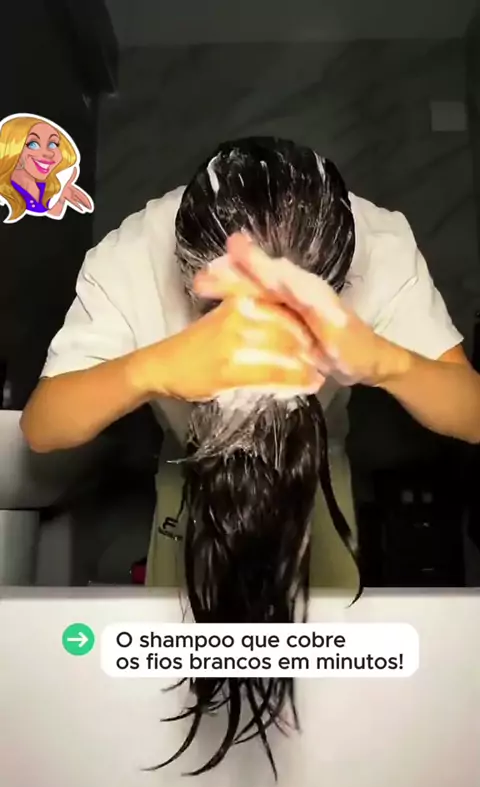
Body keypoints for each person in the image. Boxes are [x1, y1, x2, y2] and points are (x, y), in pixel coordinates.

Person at [21, 136, 479, 594]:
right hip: (190, 474)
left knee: (323, 637)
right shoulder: (132, 256)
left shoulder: (382, 250)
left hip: (314, 479)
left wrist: (387, 362)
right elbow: (43, 426)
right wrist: (151, 370)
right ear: (190, 276)